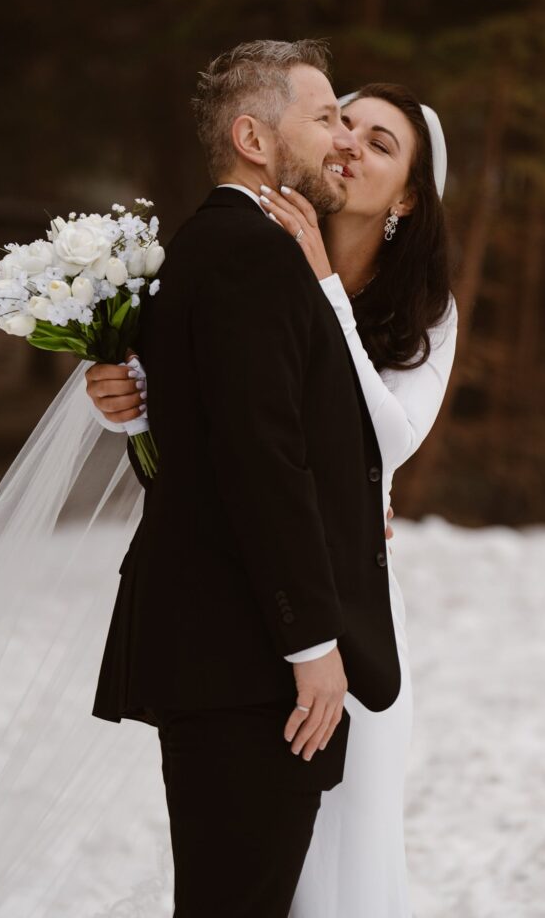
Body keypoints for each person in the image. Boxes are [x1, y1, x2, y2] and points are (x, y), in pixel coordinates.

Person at [87, 78, 458, 916]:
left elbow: (389, 440)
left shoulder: (428, 311)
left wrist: (327, 286)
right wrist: (124, 395)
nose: (350, 143)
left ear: (406, 198)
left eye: (380, 143)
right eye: (344, 123)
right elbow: (221, 415)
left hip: (353, 613)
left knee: (346, 850)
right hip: (254, 604)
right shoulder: (250, 249)